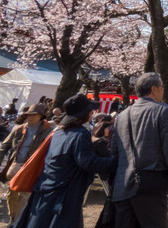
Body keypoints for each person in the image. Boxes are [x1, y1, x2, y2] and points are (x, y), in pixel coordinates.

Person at [15, 94, 116, 228]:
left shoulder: (58, 132)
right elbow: (88, 163)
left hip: (45, 188)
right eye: (91, 109)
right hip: (63, 195)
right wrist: (117, 160)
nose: (93, 112)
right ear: (84, 114)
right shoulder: (80, 134)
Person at [111, 73, 168, 228]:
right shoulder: (163, 110)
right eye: (162, 87)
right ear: (154, 89)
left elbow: (115, 152)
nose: (164, 90)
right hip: (151, 181)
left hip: (123, 183)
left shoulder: (122, 116)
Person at [0, 103, 53, 224]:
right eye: (29, 114)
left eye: (34, 115)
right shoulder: (19, 129)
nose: (31, 117)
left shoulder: (48, 131)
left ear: (41, 116)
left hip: (32, 166)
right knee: (11, 193)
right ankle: (13, 216)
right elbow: (4, 146)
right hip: (15, 164)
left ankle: (16, 222)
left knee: (24, 194)